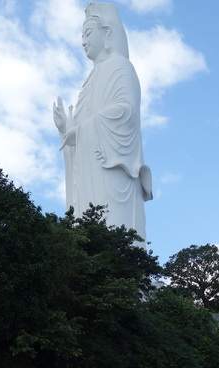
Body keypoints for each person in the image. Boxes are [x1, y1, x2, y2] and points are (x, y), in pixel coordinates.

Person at [53, 2, 152, 245]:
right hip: (89, 170)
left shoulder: (120, 67)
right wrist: (66, 129)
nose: (83, 42)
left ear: (106, 33)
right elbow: (79, 131)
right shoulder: (89, 80)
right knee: (88, 228)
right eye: (82, 36)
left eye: (88, 34)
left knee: (115, 232)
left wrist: (83, 131)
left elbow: (126, 112)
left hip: (112, 168)